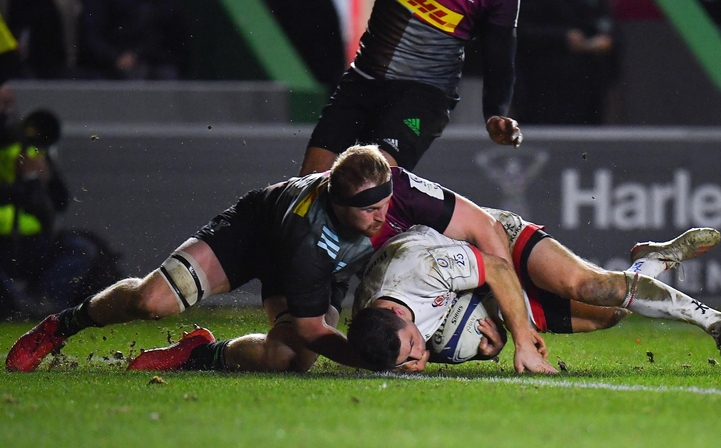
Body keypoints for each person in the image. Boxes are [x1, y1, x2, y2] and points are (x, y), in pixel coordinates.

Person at [6, 145, 549, 374]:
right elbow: (313, 328)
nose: (383, 216)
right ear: (337, 203)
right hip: (255, 233)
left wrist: (519, 324)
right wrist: (374, 359)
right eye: (369, 211)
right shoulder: (310, 237)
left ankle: (201, 354)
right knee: (152, 301)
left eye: (386, 204)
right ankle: (63, 324)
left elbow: (484, 230)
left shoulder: (398, 189)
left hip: (320, 266)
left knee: (288, 361)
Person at [347, 210, 721, 371]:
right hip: (478, 293)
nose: (417, 358)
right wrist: (489, 346)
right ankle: (651, 262)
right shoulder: (379, 332)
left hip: (494, 244)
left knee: (590, 286)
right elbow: (436, 339)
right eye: (406, 362)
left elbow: (497, 268)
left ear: (399, 313)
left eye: (413, 348)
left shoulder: (421, 270)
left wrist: (522, 339)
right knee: (609, 316)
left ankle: (719, 322)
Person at [299, 0, 524, 175]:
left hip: (424, 97)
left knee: (369, 182)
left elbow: (500, 59)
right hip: (362, 80)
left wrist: (495, 113)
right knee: (309, 184)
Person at [0, 109, 121, 320]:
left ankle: (44, 304)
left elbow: (61, 201)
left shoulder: (35, 152)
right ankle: (15, 306)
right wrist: (22, 179)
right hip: (4, 244)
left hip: (35, 243)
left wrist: (43, 177)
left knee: (81, 249)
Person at [512, 0, 619, 125]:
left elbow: (608, 25)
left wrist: (607, 40)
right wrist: (562, 37)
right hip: (543, 85)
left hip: (589, 84)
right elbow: (520, 31)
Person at [76, 0, 188, 80]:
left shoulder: (163, 5)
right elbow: (91, 37)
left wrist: (138, 55)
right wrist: (115, 57)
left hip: (154, 62)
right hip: (108, 67)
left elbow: (167, 37)